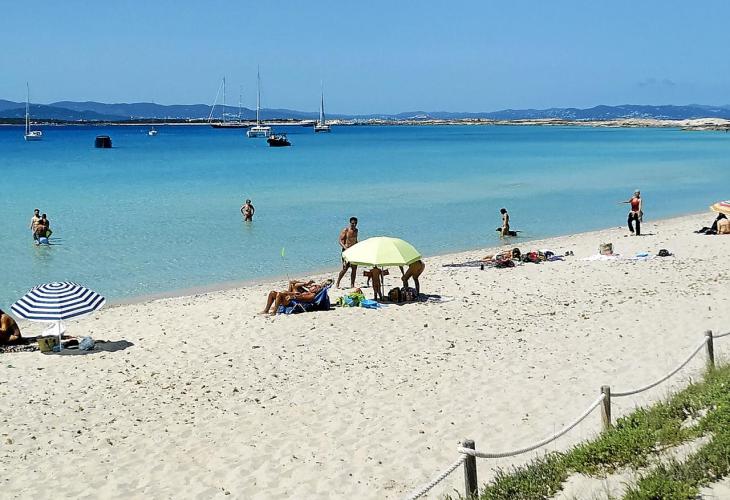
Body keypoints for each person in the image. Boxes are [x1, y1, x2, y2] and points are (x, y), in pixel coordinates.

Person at [260, 279, 331, 315]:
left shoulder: (312, 295)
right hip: (293, 297)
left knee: (279, 294)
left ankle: (274, 312)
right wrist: (306, 284)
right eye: (313, 285)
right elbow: (295, 284)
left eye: (315, 286)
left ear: (317, 290)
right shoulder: (307, 292)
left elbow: (302, 298)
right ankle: (266, 310)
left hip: (293, 302)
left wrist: (293, 297)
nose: (313, 286)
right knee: (272, 293)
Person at [336, 217, 359, 288]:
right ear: (350, 223)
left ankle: (352, 284)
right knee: (345, 268)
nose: (354, 225)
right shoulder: (346, 230)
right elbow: (340, 240)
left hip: (354, 251)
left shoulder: (356, 230)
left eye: (355, 223)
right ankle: (338, 282)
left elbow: (355, 240)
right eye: (352, 223)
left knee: (354, 268)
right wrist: (345, 248)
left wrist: (359, 246)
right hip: (346, 251)